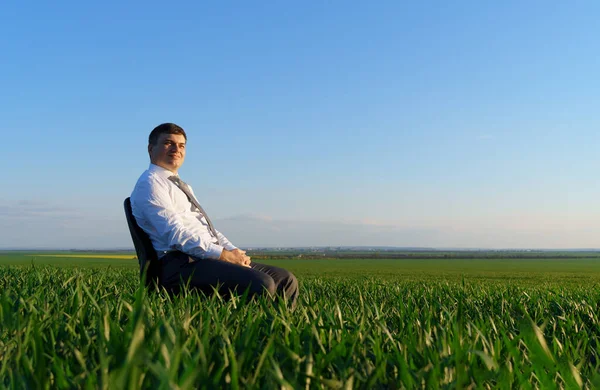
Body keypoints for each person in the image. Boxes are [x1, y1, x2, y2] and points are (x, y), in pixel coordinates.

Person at [130, 123, 299, 307]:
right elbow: (176, 235)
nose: (176, 149)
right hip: (178, 265)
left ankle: (279, 331)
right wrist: (222, 255)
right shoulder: (151, 184)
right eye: (168, 143)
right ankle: (243, 332)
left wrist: (234, 252)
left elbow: (207, 230)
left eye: (181, 145)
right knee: (261, 283)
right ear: (150, 148)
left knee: (285, 279)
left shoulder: (180, 185)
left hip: (201, 258)